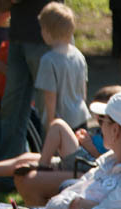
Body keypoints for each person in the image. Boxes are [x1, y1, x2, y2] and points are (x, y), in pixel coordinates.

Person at [11, 44, 121, 203]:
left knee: (30, 179)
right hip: (100, 164)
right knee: (25, 162)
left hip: (103, 168)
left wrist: (92, 148)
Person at [0, 84, 117, 186]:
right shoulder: (102, 129)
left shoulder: (118, 133)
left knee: (58, 125)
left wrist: (89, 146)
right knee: (25, 158)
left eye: (103, 115)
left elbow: (109, 162)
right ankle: (42, 164)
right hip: (81, 159)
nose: (99, 119)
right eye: (98, 115)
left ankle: (42, 167)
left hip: (87, 165)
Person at [0, 0, 53, 178]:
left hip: (45, 38)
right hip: (17, 37)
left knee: (49, 111)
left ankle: (52, 170)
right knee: (11, 108)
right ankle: (7, 175)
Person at [34, 3, 89, 136]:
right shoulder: (78, 55)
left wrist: (50, 125)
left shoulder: (49, 60)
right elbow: (83, 90)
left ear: (47, 31)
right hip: (81, 116)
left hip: (61, 121)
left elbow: (50, 95)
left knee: (60, 156)